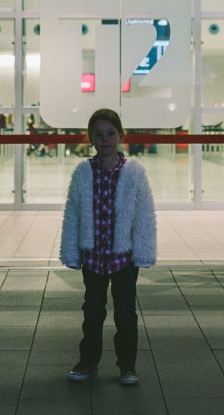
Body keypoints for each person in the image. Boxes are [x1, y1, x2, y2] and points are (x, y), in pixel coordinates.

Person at [60, 108, 157, 386]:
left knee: (125, 313)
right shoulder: (82, 173)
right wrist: (71, 251)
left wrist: (144, 251)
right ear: (90, 139)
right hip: (93, 257)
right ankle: (88, 361)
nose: (105, 140)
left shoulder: (134, 173)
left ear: (121, 136)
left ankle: (127, 365)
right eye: (99, 135)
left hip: (122, 258)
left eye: (111, 134)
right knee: (92, 311)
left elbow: (144, 215)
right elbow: (73, 213)